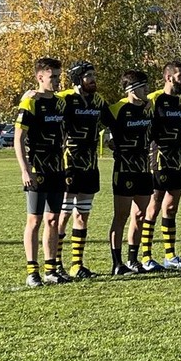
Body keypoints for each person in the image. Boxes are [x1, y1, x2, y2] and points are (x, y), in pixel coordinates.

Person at [15, 57, 66, 287]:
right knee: (34, 220)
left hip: (57, 169)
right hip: (37, 169)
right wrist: (25, 170)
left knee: (53, 219)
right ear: (40, 77)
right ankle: (31, 271)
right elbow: (18, 140)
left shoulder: (61, 103)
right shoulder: (30, 103)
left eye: (58, 76)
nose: (56, 80)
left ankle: (51, 269)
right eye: (52, 76)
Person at [55, 61, 108, 280]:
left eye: (94, 74)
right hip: (69, 165)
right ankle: (56, 263)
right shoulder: (65, 99)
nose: (93, 79)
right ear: (78, 79)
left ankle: (77, 264)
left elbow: (113, 121)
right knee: (63, 214)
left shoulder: (98, 101)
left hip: (90, 165)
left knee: (83, 215)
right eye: (88, 76)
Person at [142, 61, 181, 271]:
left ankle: (170, 255)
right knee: (152, 208)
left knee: (171, 209)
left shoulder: (180, 104)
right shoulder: (153, 100)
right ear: (169, 78)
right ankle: (146, 256)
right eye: (180, 76)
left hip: (177, 162)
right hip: (158, 161)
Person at [105, 70, 154, 275]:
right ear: (132, 90)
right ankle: (117, 263)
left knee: (141, 214)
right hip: (124, 170)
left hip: (143, 169)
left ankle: (133, 260)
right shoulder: (117, 109)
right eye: (143, 87)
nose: (147, 91)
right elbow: (104, 133)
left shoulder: (148, 109)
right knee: (121, 215)